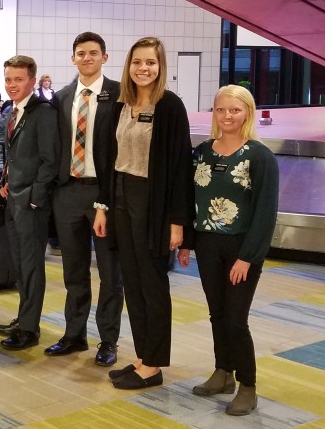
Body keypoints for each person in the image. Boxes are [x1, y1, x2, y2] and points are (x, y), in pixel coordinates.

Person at [93, 37, 193, 390]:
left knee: (152, 284)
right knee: (132, 283)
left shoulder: (170, 106)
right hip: (121, 198)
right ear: (128, 65)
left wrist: (178, 222)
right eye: (137, 62)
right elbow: (109, 159)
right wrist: (103, 206)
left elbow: (181, 168)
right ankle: (143, 355)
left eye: (150, 62)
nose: (143, 68)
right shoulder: (122, 104)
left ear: (160, 66)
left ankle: (154, 364)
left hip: (153, 204)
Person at [180, 85, 279, 416]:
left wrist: (248, 257)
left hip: (241, 248)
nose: (227, 116)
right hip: (207, 244)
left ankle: (248, 385)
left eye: (235, 110)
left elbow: (265, 212)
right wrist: (187, 244)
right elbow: (191, 200)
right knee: (217, 314)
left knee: (236, 320)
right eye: (221, 110)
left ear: (247, 113)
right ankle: (223, 372)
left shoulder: (259, 156)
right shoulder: (202, 152)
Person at [46, 32, 124, 366]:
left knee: (110, 272)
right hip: (67, 192)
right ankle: (75, 334)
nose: (87, 58)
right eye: (81, 53)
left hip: (103, 193)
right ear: (73, 58)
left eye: (93, 53)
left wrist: (107, 199)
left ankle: (108, 340)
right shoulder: (61, 97)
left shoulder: (120, 94)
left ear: (105, 57)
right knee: (74, 270)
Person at [0, 55, 59, 350]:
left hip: (30, 203)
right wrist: (6, 180)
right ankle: (23, 317)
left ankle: (30, 329)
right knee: (20, 265)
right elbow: (15, 154)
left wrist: (34, 199)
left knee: (32, 267)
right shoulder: (12, 110)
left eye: (18, 79)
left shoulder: (42, 112)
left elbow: (49, 161)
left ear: (32, 81)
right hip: (13, 198)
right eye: (8, 79)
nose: (12, 85)